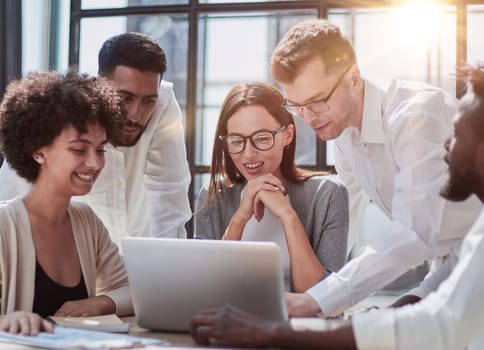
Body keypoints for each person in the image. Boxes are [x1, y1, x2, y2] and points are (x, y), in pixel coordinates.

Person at [191, 55, 484, 350]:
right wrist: (381, 314)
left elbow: (437, 321)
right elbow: (439, 287)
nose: (445, 144)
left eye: (456, 132)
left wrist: (275, 328)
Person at [261, 19, 482, 317]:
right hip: (451, 264)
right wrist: (309, 292)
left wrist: (320, 299)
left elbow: (414, 232)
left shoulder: (415, 115)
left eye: (317, 101)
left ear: (353, 76)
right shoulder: (343, 135)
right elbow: (345, 224)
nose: (309, 118)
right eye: (297, 106)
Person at [0, 32, 192, 245]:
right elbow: (8, 196)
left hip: (138, 264)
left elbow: (169, 189)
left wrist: (166, 266)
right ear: (98, 84)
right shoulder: (57, 114)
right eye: (125, 98)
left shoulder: (163, 104)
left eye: (148, 100)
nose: (136, 114)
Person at [0, 71, 133, 336]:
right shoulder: (4, 226)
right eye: (79, 149)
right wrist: (6, 320)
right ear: (39, 151)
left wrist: (100, 303)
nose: (95, 163)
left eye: (100, 149)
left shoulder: (86, 221)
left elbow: (134, 289)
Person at [195, 82, 349, 292]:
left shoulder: (327, 195)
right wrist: (240, 217)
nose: (248, 154)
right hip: (232, 323)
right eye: (237, 141)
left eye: (262, 138)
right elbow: (206, 290)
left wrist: (288, 216)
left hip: (296, 325)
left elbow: (322, 300)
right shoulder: (214, 197)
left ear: (287, 135)